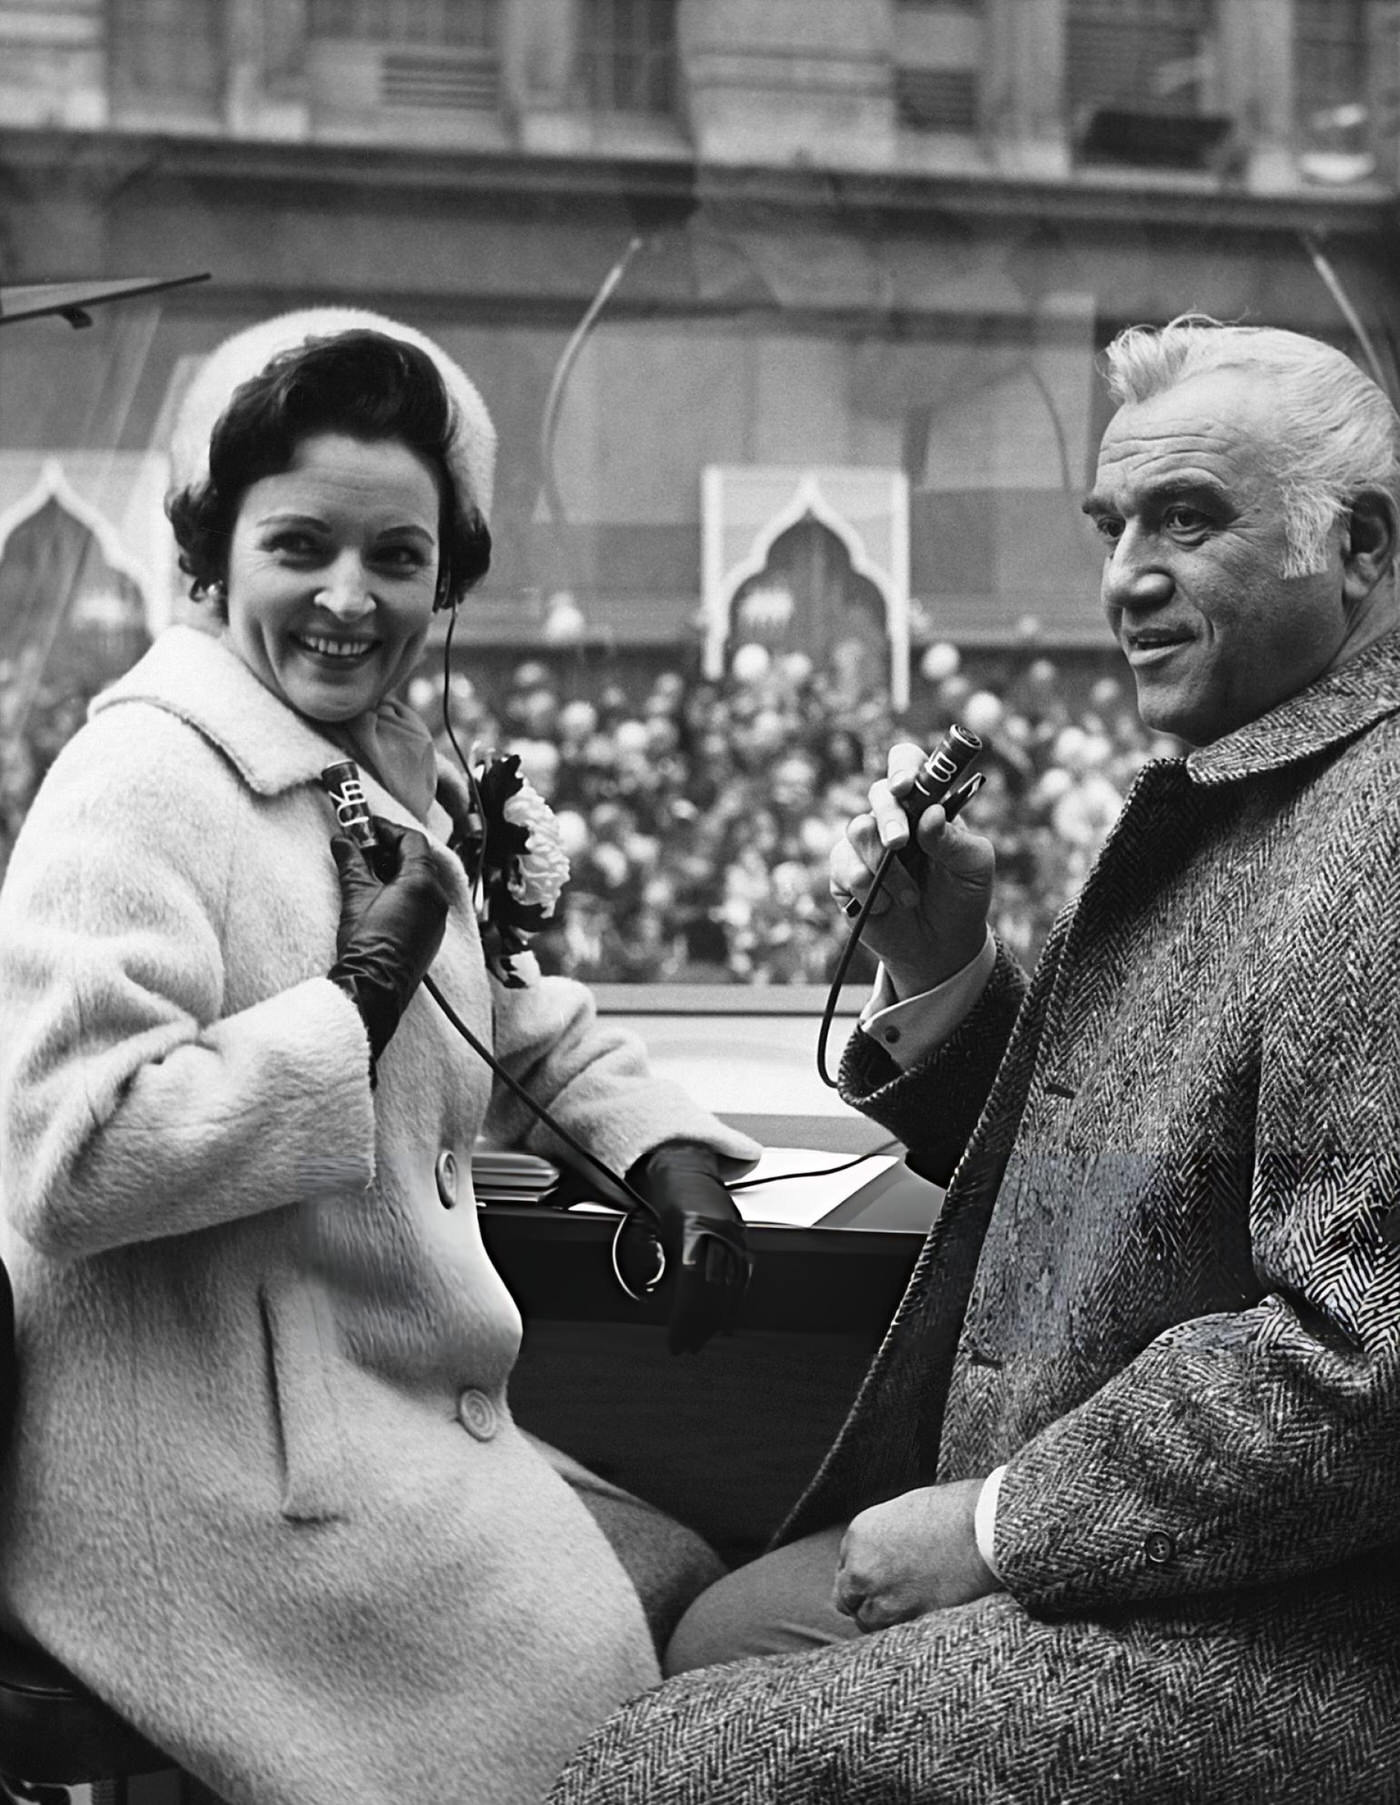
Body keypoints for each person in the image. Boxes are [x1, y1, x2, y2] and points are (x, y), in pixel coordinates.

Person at [547, 314, 1400, 1802]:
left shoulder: (1377, 832)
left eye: (1190, 520)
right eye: (1114, 521)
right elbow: (1132, 1177)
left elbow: (1358, 1367)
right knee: (717, 1631)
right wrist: (942, 968)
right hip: (1154, 1545)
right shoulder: (1265, 782)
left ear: (1365, 552)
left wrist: (994, 1525)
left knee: (648, 1766)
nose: (1127, 574)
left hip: (1294, 1626)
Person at [0, 307, 760, 1805]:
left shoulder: (385, 765)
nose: (350, 599)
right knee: (650, 1694)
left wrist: (660, 1145)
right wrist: (351, 999)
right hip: (198, 1484)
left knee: (691, 1603)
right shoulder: (138, 777)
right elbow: (68, 1156)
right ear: (214, 560)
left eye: (397, 557)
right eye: (301, 547)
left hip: (353, 1424)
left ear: (448, 577)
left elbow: (495, 1012)